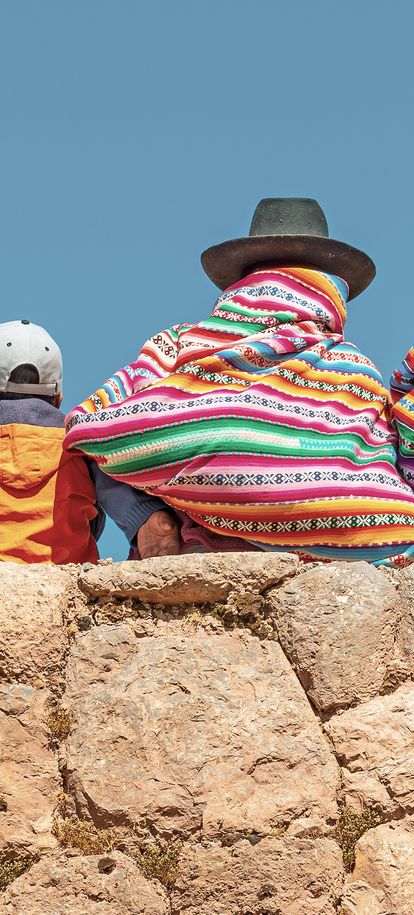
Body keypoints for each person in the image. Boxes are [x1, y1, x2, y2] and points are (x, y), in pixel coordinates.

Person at [64, 198, 414, 567]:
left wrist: (143, 518)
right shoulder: (355, 369)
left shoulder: (180, 345)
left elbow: (91, 426)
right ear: (328, 289)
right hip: (347, 558)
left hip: (197, 555)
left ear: (242, 284)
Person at [0, 319, 174, 563]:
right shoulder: (78, 445)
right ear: (58, 397)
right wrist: (145, 515)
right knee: (93, 488)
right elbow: (119, 494)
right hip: (66, 568)